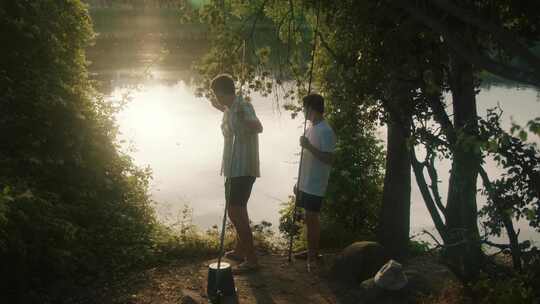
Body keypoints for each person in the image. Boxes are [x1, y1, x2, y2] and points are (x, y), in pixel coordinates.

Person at [209, 74, 262, 273]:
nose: (215, 97)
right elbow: (227, 112)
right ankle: (241, 251)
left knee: (235, 210)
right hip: (233, 167)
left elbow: (258, 127)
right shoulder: (229, 108)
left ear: (223, 92)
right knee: (239, 210)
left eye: (216, 94)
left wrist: (243, 118)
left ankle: (252, 259)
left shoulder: (243, 106)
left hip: (243, 167)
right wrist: (220, 107)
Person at [294, 93, 337, 270]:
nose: (303, 111)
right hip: (305, 181)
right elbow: (306, 158)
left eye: (305, 108)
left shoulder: (326, 131)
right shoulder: (311, 127)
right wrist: (299, 182)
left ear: (311, 109)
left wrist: (308, 146)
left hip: (316, 183)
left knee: (312, 218)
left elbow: (329, 159)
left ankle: (313, 256)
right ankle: (311, 250)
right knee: (307, 218)